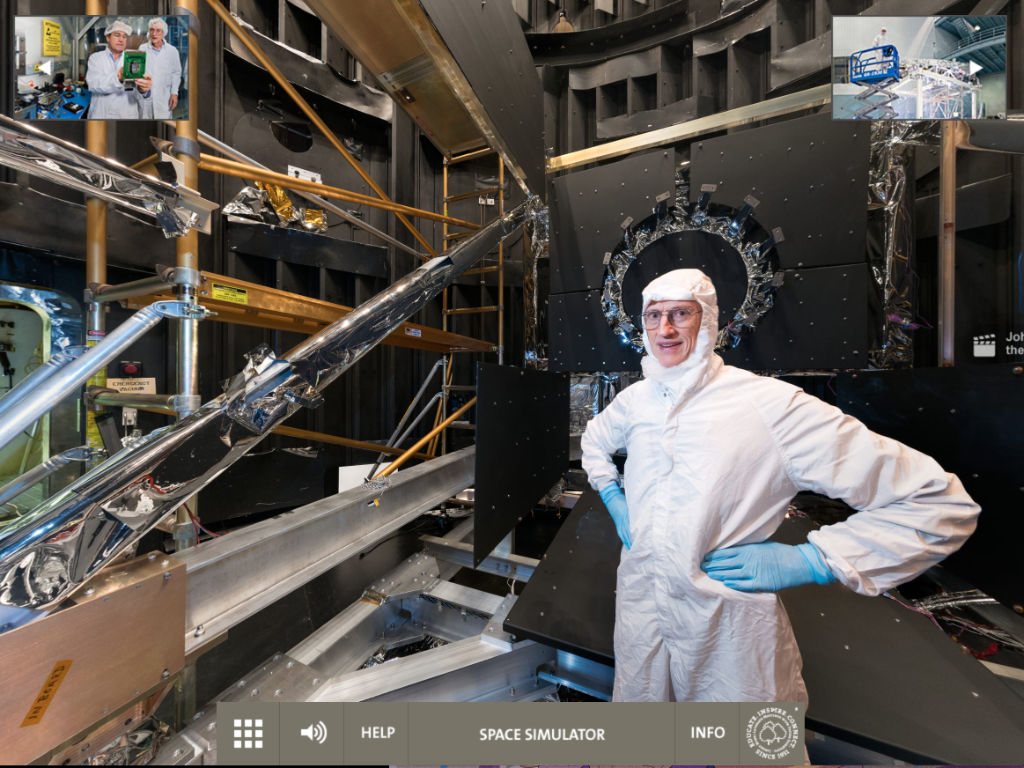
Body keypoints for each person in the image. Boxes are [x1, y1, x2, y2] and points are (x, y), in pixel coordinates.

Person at [581, 268, 979, 703]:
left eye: (681, 313)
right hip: (642, 608)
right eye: (654, 317)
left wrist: (813, 560)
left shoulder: (768, 405)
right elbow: (594, 441)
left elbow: (939, 503)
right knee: (646, 740)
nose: (666, 329)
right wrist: (613, 495)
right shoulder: (638, 400)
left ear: (709, 320)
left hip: (727, 624)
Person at [85, 19, 152, 119]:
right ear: (108, 37)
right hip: (101, 115)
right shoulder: (95, 58)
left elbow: (137, 94)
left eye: (124, 36)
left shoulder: (134, 59)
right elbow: (93, 84)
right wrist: (118, 77)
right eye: (117, 35)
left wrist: (143, 90)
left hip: (126, 115)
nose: (121, 40)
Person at [138, 17, 182, 119]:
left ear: (163, 33)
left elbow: (176, 73)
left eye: (158, 30)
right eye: (152, 30)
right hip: (146, 97)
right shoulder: (142, 48)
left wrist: (174, 93)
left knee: (165, 123)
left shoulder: (172, 51)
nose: (154, 34)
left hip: (164, 97)